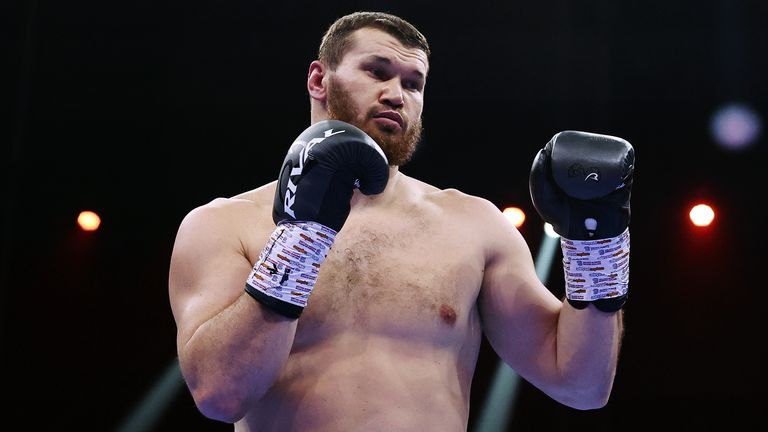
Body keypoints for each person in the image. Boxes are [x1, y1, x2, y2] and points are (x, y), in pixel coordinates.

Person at [168, 10, 634, 431]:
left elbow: (581, 386)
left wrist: (598, 247)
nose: (396, 94)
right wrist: (300, 240)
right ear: (318, 79)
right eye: (377, 72)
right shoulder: (224, 224)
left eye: (413, 84)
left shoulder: (473, 224)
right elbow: (219, 395)